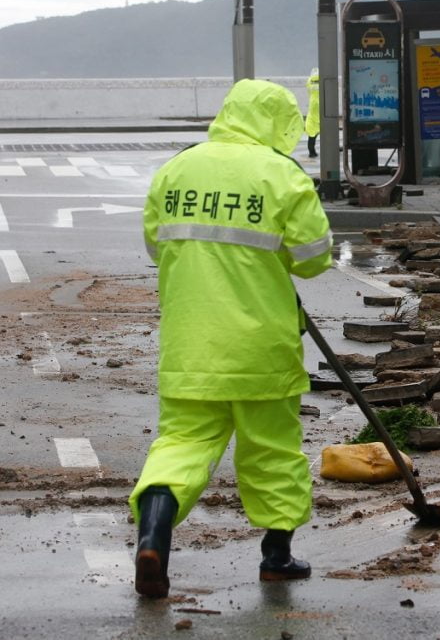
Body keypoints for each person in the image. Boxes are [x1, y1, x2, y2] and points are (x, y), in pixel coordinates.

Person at [130, 79, 333, 598]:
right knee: (273, 451)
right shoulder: (281, 174)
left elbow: (156, 245)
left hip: (190, 343)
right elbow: (314, 259)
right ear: (275, 122)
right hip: (261, 345)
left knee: (179, 445)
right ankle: (276, 557)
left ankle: (153, 537)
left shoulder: (178, 168)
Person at [305, 67, 320, 157]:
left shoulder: (309, 82)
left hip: (312, 107)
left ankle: (312, 152)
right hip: (322, 106)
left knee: (311, 135)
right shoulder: (323, 81)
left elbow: (308, 89)